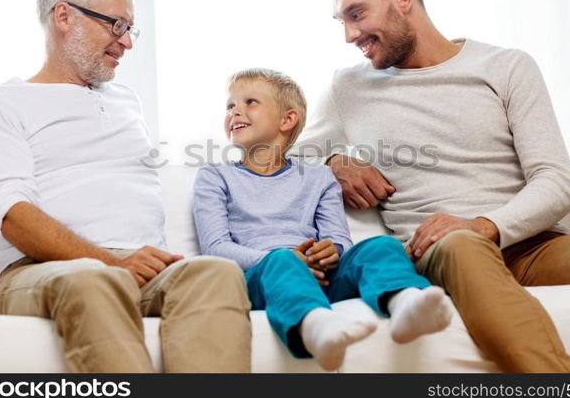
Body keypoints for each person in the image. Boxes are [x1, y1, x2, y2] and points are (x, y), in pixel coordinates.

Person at [290, 0, 570, 373]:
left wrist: (485, 225)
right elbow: (284, 162)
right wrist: (334, 163)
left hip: (529, 246)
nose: (349, 35)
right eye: (342, 20)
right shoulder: (349, 88)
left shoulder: (505, 66)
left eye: (357, 14)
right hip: (440, 252)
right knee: (460, 244)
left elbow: (554, 182)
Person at [0, 0, 251, 373]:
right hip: (44, 273)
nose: (127, 42)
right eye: (116, 25)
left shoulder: (127, 101)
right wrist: (110, 262)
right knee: (95, 279)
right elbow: (13, 217)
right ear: (64, 16)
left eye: (130, 29)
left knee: (212, 273)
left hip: (137, 268)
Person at [192, 68, 451, 371]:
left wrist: (332, 250)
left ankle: (405, 301)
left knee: (380, 246)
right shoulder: (215, 175)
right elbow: (216, 247)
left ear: (287, 120)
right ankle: (317, 325)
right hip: (263, 277)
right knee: (281, 261)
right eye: (230, 105)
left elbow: (338, 237)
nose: (235, 111)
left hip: (321, 275)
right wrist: (287, 258)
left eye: (250, 102)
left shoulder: (319, 176)